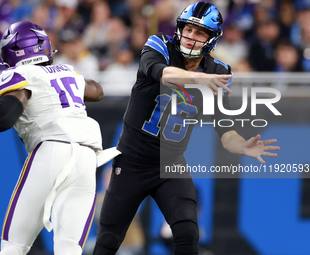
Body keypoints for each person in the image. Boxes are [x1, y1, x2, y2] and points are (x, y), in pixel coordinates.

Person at [93, 2, 280, 255]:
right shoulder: (160, 44)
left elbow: (224, 130)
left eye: (200, 33)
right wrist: (198, 78)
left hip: (170, 164)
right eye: (188, 29)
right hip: (131, 161)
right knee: (108, 240)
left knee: (188, 232)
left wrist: (242, 145)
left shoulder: (218, 71)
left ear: (211, 39)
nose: (191, 37)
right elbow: (161, 73)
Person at [0, 20, 118, 255]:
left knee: (14, 247)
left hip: (52, 150)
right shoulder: (67, 71)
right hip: (87, 157)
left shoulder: (20, 73)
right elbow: (97, 91)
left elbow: (2, 118)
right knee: (68, 248)